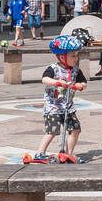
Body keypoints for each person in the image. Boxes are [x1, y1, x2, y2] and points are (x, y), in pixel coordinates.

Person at [26, 34, 87, 164]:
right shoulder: (53, 69)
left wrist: (79, 86)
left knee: (75, 129)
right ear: (61, 56)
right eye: (73, 56)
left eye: (77, 55)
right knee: (52, 131)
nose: (76, 59)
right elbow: (44, 79)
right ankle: (40, 153)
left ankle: (68, 153)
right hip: (53, 107)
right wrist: (56, 82)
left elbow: (83, 82)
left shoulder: (76, 70)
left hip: (68, 108)